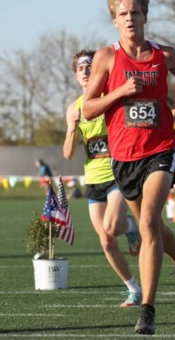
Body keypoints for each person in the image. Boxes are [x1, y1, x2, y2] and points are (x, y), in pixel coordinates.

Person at [83, 0, 175, 335]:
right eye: (123, 14)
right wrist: (119, 92)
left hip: (160, 147)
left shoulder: (166, 55)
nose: (130, 19)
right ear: (114, 20)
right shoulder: (106, 58)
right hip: (123, 156)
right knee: (152, 228)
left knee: (149, 221)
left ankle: (147, 310)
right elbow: (88, 108)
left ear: (145, 17)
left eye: (135, 13)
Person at [63, 50, 142, 307]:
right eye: (80, 69)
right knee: (106, 242)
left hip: (117, 173)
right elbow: (67, 153)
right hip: (93, 179)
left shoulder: (110, 97)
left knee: (112, 227)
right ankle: (133, 288)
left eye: (89, 67)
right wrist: (72, 127)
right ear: (75, 75)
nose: (85, 72)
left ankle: (129, 227)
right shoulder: (73, 108)